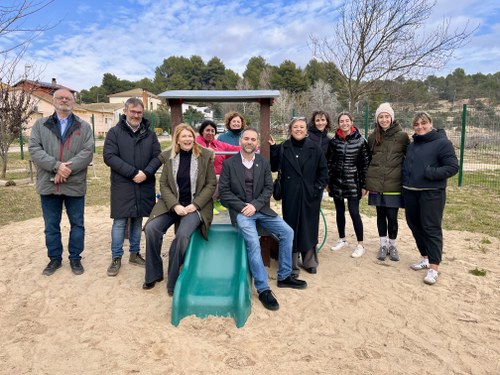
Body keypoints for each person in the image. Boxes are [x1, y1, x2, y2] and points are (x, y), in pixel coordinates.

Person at [219, 128, 307, 312]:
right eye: (246, 139)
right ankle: (263, 288)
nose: (249, 142)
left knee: (287, 232)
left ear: (257, 143)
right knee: (253, 241)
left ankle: (284, 276)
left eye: (253, 139)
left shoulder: (263, 163)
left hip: (260, 209)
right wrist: (244, 207)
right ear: (240, 141)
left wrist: (256, 205)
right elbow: (224, 193)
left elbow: (268, 188)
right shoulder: (230, 164)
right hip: (241, 211)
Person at [143, 124, 216, 295]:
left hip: (195, 205)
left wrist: (195, 205)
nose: (187, 139)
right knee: (152, 229)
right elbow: (164, 184)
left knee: (182, 235)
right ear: (177, 139)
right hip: (172, 204)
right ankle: (154, 273)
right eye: (183, 136)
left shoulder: (204, 155)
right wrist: (175, 205)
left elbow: (211, 184)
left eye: (190, 136)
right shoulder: (169, 157)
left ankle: (174, 278)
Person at [29, 88, 94, 276]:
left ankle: (75, 258)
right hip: (48, 183)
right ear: (54, 100)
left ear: (73, 102)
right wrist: (56, 166)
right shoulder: (40, 125)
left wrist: (66, 170)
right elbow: (34, 149)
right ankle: (54, 259)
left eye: (68, 98)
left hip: (74, 184)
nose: (64, 100)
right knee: (51, 225)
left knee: (77, 224)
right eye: (61, 98)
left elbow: (87, 152)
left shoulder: (84, 127)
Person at [103, 98, 162, 277]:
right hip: (123, 184)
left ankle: (134, 254)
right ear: (125, 112)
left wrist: (146, 173)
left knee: (138, 219)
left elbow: (158, 156)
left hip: (144, 183)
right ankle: (116, 257)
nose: (136, 115)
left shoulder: (150, 135)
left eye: (139, 113)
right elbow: (109, 156)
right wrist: (133, 173)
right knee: (120, 221)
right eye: (133, 112)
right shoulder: (114, 133)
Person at [402, 112, 458, 285]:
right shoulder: (412, 145)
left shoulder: (442, 143)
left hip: (431, 193)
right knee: (415, 225)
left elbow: (452, 167)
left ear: (431, 123)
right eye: (416, 124)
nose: (420, 127)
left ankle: (434, 268)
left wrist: (432, 173)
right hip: (410, 191)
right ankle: (425, 257)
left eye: (423, 123)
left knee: (431, 228)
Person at [269, 117, 328, 276]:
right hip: (291, 194)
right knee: (291, 227)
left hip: (310, 194)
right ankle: (292, 264)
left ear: (307, 130)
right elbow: (274, 167)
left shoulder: (315, 149)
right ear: (291, 129)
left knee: (309, 227)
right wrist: (273, 148)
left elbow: (323, 172)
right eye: (295, 127)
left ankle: (309, 261)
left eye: (302, 127)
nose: (299, 129)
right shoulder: (283, 148)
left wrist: (316, 189)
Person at [366, 103, 410, 262]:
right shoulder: (372, 137)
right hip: (377, 184)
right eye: (380, 117)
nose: (384, 120)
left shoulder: (403, 137)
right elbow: (368, 160)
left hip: (394, 184)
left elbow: (409, 159)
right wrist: (366, 183)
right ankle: (383, 245)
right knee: (380, 215)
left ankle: (393, 245)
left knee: (392, 216)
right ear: (377, 119)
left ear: (392, 117)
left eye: (386, 116)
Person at [326, 111, 370, 258]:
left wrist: (365, 185)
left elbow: (365, 164)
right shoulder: (334, 141)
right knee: (339, 211)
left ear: (352, 122)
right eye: (341, 121)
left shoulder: (360, 141)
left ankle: (360, 244)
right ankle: (342, 239)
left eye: (347, 121)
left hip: (353, 182)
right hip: (336, 181)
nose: (344, 123)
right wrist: (328, 181)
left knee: (354, 212)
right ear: (338, 124)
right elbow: (329, 162)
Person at [195, 119, 240, 214]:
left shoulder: (217, 143)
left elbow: (233, 148)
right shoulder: (197, 142)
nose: (210, 133)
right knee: (217, 178)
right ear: (202, 131)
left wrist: (251, 147)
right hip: (203, 174)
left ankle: (215, 201)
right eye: (207, 130)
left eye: (212, 131)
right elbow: (201, 150)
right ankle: (208, 203)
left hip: (219, 173)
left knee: (227, 178)